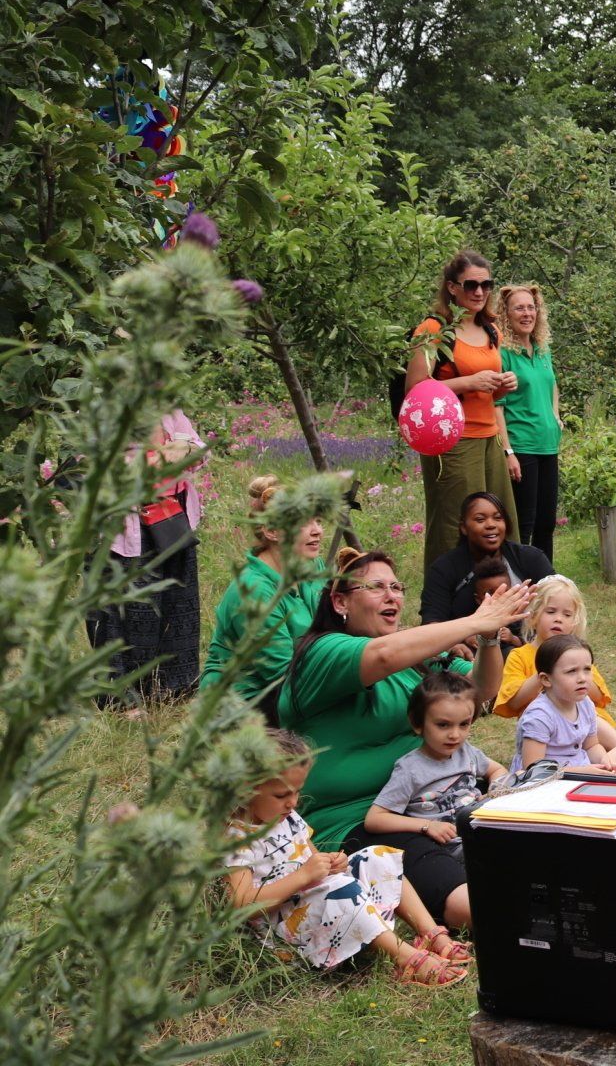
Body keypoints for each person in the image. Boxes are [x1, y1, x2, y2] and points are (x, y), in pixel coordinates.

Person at [276, 548, 530, 850]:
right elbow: (382, 655)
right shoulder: (322, 652)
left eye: (396, 587)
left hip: (436, 799)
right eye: (376, 587)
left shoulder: (417, 658)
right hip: (353, 820)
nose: (391, 595)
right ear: (340, 601)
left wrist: (487, 636)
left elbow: (482, 687)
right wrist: (474, 621)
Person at [225, 729, 467, 986]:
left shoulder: (286, 817)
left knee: (377, 856)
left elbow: (310, 858)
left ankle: (430, 934)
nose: (293, 802)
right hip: (289, 929)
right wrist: (303, 876)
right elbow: (241, 904)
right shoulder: (236, 839)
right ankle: (406, 958)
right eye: (282, 795)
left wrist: (329, 864)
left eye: (297, 791)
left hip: (313, 899)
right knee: (340, 888)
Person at [363, 668, 506, 927]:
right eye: (443, 725)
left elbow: (496, 769)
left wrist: (496, 787)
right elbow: (375, 819)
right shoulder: (410, 769)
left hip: (481, 836)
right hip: (448, 852)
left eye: (464, 724)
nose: (455, 735)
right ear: (417, 723)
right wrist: (427, 825)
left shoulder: (468, 753)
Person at [89, 409, 206, 707]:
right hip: (126, 525)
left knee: (177, 603)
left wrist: (181, 450)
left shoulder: (170, 412)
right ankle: (123, 699)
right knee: (125, 611)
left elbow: (197, 450)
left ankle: (172, 690)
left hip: (171, 519)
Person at [407, 250, 518, 566]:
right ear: (452, 287)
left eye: (486, 285)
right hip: (451, 441)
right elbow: (416, 389)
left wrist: (500, 384)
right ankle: (444, 606)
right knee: (455, 526)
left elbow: (487, 390)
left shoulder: (490, 329)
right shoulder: (433, 329)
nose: (479, 292)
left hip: (490, 438)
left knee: (497, 524)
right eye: (470, 285)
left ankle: (496, 597)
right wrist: (469, 382)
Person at [495, 575, 616, 771]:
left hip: (585, 728)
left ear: (574, 623)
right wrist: (548, 668)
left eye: (567, 615)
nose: (558, 619)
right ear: (533, 616)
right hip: (549, 736)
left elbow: (597, 696)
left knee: (594, 716)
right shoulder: (520, 657)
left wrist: (577, 672)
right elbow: (513, 702)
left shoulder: (577, 656)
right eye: (550, 612)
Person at [205, 474, 327, 705]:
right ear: (271, 531)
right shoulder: (254, 591)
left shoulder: (313, 566)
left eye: (318, 520)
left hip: (301, 682)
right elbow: (282, 674)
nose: (317, 531)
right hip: (247, 702)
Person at [496, 283, 562, 560]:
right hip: (522, 446)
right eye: (519, 308)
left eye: (531, 307)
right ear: (506, 315)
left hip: (548, 445)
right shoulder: (503, 353)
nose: (527, 313)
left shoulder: (542, 349)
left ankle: (545, 579)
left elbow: (553, 386)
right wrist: (508, 451)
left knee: (547, 522)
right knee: (525, 521)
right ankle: (520, 578)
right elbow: (496, 405)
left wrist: (556, 416)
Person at [420, 491, 554, 625]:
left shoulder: (531, 558)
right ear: (463, 527)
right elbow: (432, 622)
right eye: (480, 519)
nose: (491, 525)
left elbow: (561, 599)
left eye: (498, 518)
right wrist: (457, 642)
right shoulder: (444, 569)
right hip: (465, 642)